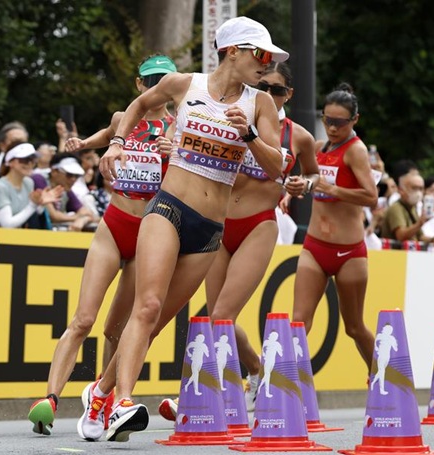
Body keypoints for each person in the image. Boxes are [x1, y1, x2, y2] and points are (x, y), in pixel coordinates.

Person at [80, 16, 287, 442]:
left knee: (155, 324)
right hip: (168, 208)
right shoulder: (182, 83)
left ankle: (100, 392)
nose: (267, 65)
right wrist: (117, 142)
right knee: (147, 306)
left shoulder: (260, 104)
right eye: (262, 55)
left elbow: (277, 167)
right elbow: (136, 106)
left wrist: (247, 135)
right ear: (234, 51)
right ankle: (122, 401)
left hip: (210, 228)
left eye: (271, 59)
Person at [27, 54, 177, 437]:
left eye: (165, 81)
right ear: (139, 85)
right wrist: (78, 144)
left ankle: (107, 403)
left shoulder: (178, 127)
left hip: (150, 231)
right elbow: (105, 137)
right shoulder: (122, 117)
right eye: (151, 81)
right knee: (83, 319)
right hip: (114, 224)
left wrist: (172, 154)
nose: (157, 88)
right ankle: (49, 400)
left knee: (117, 329)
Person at [200, 61, 319, 415]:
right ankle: (255, 368)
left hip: (258, 224)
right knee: (214, 318)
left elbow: (311, 172)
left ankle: (223, 393)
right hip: (219, 223)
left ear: (288, 95)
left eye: (276, 90)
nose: (268, 95)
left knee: (222, 312)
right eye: (262, 87)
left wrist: (304, 184)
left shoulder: (298, 135)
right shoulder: (233, 116)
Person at [291, 83, 378, 375]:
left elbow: (371, 196)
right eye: (327, 120)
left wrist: (335, 189)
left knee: (354, 327)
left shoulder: (356, 151)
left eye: (339, 122)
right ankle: (288, 389)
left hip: (349, 251)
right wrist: (291, 191)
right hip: (315, 246)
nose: (331, 127)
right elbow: (306, 179)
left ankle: (382, 379)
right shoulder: (317, 148)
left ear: (354, 120)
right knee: (299, 321)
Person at [0, 142, 63, 228]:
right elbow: (7, 224)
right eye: (24, 160)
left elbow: (29, 213)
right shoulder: (0, 186)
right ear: (10, 162)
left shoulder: (28, 182)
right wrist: (33, 205)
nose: (30, 163)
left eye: (33, 160)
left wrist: (40, 204)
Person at [31, 153, 96, 231]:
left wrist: (82, 220)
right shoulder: (39, 179)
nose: (73, 179)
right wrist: (78, 217)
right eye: (69, 175)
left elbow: (88, 213)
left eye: (76, 176)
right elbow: (53, 216)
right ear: (54, 171)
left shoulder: (65, 188)